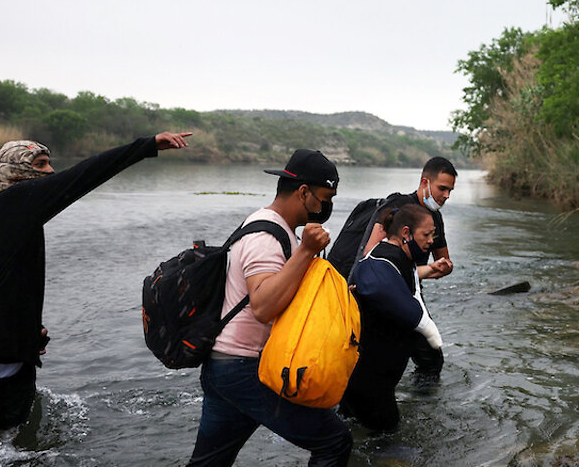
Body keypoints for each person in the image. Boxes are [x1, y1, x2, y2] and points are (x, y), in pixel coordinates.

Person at [0, 132, 191, 445]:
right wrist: (146, 146)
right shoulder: (9, 204)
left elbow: (6, 284)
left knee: (9, 448)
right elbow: (81, 176)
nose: (50, 172)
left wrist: (27, 329)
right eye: (41, 164)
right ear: (15, 170)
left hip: (17, 357)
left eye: (49, 163)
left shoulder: (22, 217)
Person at [186, 149, 351, 467]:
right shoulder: (266, 236)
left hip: (226, 366)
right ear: (303, 192)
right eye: (325, 197)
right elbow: (262, 305)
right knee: (334, 441)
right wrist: (306, 252)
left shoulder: (271, 227)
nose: (326, 206)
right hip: (245, 368)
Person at [329, 157, 456, 386]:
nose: (446, 196)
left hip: (409, 289)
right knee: (376, 357)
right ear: (425, 182)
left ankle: (419, 406)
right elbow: (371, 258)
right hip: (378, 292)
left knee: (429, 360)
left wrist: (442, 268)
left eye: (450, 191)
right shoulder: (398, 206)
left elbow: (442, 262)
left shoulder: (434, 218)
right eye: (442, 188)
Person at [340, 204, 443, 431]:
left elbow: (406, 280)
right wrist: (427, 328)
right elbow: (377, 282)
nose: (430, 241)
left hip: (373, 380)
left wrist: (432, 269)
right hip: (368, 383)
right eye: (426, 235)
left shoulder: (400, 258)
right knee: (386, 444)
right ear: (406, 233)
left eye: (432, 235)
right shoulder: (379, 260)